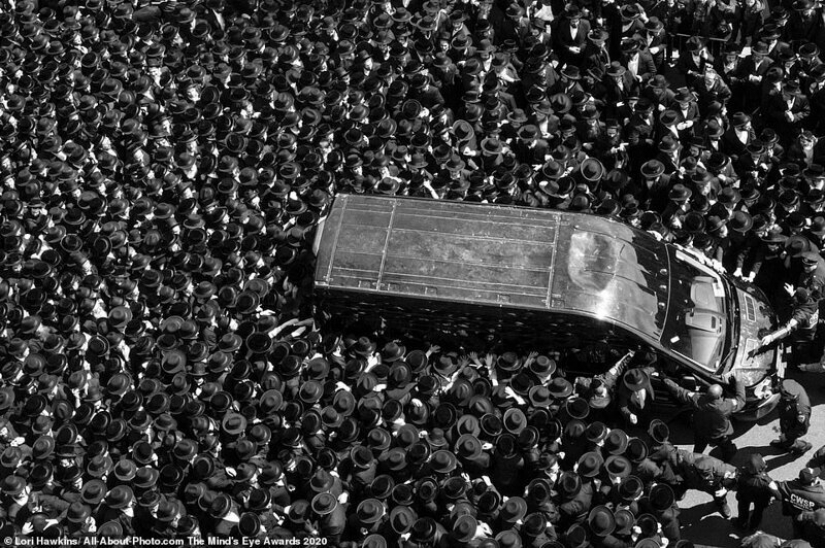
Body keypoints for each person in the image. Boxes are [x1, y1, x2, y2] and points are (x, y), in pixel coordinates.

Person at [662, 374, 745, 462]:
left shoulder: (697, 400)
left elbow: (681, 392)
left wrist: (666, 380)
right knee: (727, 448)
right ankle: (726, 460)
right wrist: (739, 381)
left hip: (701, 432)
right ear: (720, 396)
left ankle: (693, 462)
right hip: (718, 435)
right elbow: (741, 400)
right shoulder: (726, 406)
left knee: (698, 448)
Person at [770, 468, 825, 538]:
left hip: (795, 514)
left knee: (797, 528)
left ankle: (797, 537)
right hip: (811, 519)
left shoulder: (790, 486)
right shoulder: (821, 496)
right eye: (816, 477)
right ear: (812, 482)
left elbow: (774, 485)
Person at [771, 379, 813, 457]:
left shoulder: (801, 410)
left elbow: (801, 429)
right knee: (784, 428)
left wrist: (787, 436)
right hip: (786, 415)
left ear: (792, 396)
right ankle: (784, 443)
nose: (782, 396)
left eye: (785, 396)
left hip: (794, 422)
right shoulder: (788, 386)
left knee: (789, 438)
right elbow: (779, 388)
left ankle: (800, 448)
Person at [734, 453, 774, 531]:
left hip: (745, 496)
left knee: (743, 510)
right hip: (760, 498)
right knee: (758, 512)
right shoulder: (765, 481)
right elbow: (772, 491)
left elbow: (737, 484)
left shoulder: (742, 475)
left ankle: (742, 524)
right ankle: (754, 526)